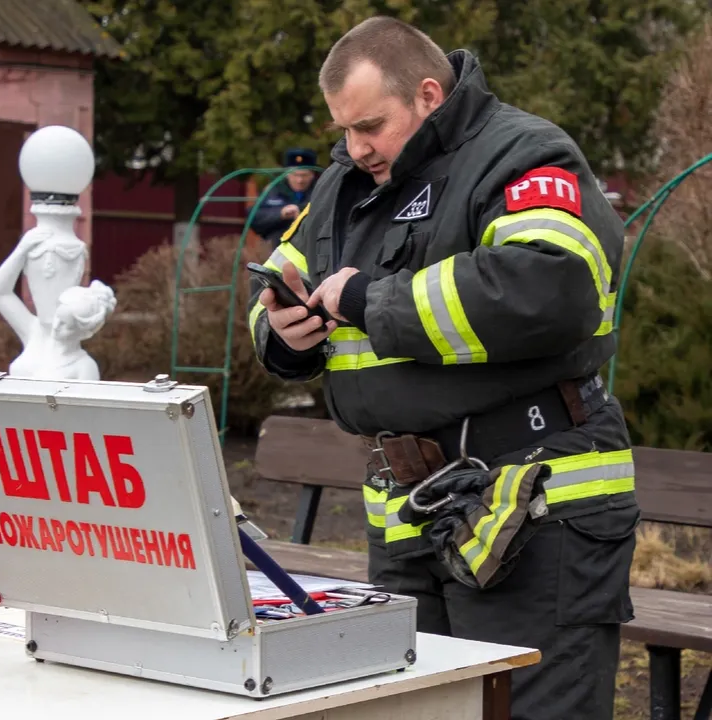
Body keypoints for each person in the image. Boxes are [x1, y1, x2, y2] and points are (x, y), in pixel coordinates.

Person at [246, 16, 638, 720]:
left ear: (428, 95)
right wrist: (284, 333)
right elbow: (274, 286)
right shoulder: (345, 186)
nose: (353, 146)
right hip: (406, 511)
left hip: (534, 504)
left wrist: (371, 299)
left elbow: (553, 288)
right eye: (343, 129)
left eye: (370, 126)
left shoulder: (520, 154)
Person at [250, 148, 319, 246]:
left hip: (311, 247)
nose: (299, 180)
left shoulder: (320, 190)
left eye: (304, 175)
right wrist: (280, 214)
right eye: (295, 175)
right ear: (287, 174)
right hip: (277, 248)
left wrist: (300, 210)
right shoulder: (274, 190)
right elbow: (255, 217)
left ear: (312, 174)